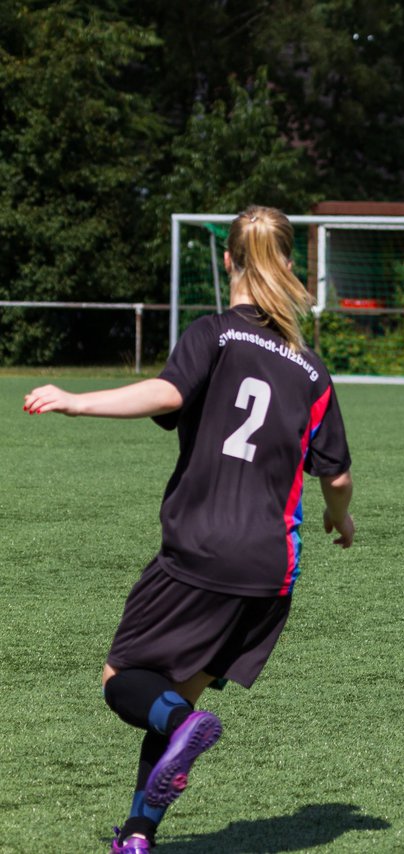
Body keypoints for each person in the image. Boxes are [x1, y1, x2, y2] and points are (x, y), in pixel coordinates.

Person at [23, 206, 355, 854]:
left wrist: (76, 400)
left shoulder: (217, 334)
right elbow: (337, 478)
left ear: (228, 260)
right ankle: (139, 836)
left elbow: (168, 394)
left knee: (124, 681)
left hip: (201, 549)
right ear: (286, 264)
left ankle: (182, 727)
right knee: (171, 702)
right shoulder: (312, 370)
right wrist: (339, 520)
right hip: (270, 569)